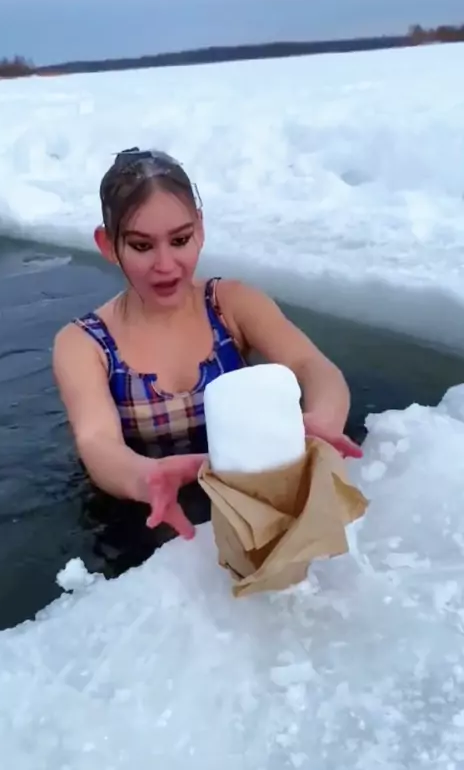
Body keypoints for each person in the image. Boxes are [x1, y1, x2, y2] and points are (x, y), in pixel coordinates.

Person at [53, 147, 362, 545]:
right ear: (108, 244)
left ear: (199, 229)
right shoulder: (84, 344)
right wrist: (146, 478)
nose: (166, 265)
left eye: (180, 240)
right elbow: (97, 441)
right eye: (142, 246)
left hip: (244, 493)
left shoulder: (230, 305)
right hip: (149, 513)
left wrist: (321, 421)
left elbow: (312, 366)